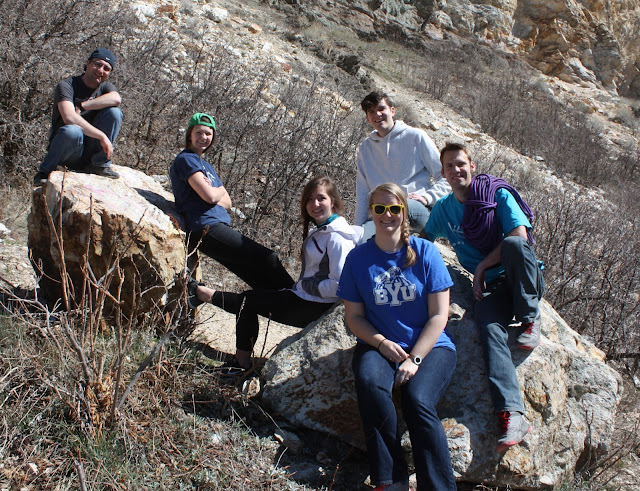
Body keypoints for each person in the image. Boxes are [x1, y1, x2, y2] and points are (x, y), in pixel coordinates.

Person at [424, 142, 544, 453]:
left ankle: (530, 317)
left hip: (518, 278)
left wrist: (482, 266)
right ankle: (512, 414)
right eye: (449, 166)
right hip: (491, 291)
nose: (456, 170)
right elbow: (423, 240)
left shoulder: (496, 195)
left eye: (461, 164)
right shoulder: (444, 209)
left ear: (472, 165)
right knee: (490, 332)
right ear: (443, 173)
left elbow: (519, 237)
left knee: (516, 248)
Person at [338, 183, 457, 491]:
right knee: (370, 383)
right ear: (371, 213)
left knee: (417, 400)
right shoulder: (358, 259)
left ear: (405, 212)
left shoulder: (425, 252)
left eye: (394, 208)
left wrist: (415, 359)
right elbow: (354, 317)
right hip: (379, 345)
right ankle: (390, 481)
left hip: (431, 348)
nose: (387, 215)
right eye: (379, 209)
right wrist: (380, 342)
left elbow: (439, 316)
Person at [190, 176, 362, 373]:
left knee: (248, 301)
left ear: (333, 202)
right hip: (308, 298)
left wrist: (306, 286)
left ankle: (241, 363)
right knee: (253, 294)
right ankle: (201, 294)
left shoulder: (337, 238)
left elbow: (340, 285)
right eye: (309, 199)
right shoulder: (324, 230)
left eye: (321, 198)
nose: (315, 204)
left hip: (314, 306)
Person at [170, 112, 295, 295]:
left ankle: (282, 304)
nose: (204, 138)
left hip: (215, 225)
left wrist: (215, 191)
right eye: (199, 132)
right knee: (268, 258)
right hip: (205, 226)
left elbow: (227, 202)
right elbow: (211, 197)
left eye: (208, 134)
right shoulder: (186, 159)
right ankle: (297, 297)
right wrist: (216, 191)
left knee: (253, 275)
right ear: (190, 134)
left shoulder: (206, 166)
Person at [355, 91, 450, 239]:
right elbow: (362, 192)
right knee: (364, 236)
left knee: (395, 212)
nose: (377, 114)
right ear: (367, 118)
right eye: (371, 111)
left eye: (381, 109)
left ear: (392, 110)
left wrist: (427, 197)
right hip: (381, 212)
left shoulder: (416, 136)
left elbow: (445, 176)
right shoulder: (365, 148)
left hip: (416, 209)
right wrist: (358, 229)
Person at [34, 48, 122, 186]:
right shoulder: (67, 85)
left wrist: (82, 106)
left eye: (106, 68)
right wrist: (102, 136)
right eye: (97, 64)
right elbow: (69, 117)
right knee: (72, 131)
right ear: (87, 63)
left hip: (90, 151)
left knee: (114, 113)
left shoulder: (105, 88)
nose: (100, 70)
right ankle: (44, 172)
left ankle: (99, 165)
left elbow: (116, 99)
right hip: (70, 151)